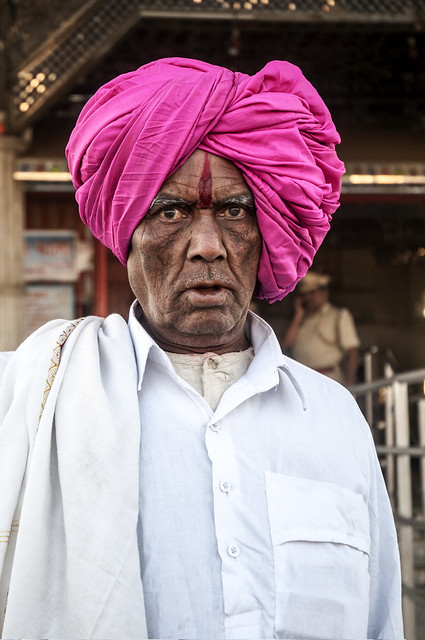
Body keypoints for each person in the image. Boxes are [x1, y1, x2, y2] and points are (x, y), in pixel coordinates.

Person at [0, 58, 403, 640]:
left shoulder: (335, 417)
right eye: (171, 211)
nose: (207, 246)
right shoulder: (33, 400)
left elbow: (381, 619)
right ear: (126, 235)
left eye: (236, 211)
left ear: (265, 233)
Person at [282, 271, 360, 386]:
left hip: (328, 380)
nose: (307, 297)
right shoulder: (301, 318)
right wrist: (298, 316)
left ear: (324, 292)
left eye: (311, 292)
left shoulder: (339, 315)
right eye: (304, 294)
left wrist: (351, 386)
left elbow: (352, 353)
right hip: (301, 380)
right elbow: (286, 344)